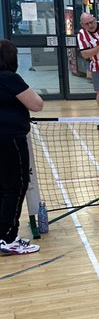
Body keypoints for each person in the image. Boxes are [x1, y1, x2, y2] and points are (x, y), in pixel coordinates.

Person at [0, 39, 43, 255]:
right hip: (10, 140)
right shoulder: (10, 79)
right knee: (16, 187)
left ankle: (3, 234)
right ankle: (8, 238)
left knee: (4, 188)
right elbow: (37, 104)